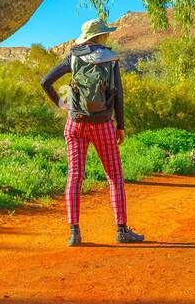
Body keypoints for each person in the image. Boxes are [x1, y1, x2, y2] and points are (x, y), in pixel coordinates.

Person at [40, 17, 145, 246]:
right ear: (101, 36)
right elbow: (118, 95)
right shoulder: (110, 58)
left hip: (75, 124)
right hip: (103, 124)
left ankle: (74, 233)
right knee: (114, 176)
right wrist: (121, 126)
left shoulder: (73, 56)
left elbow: (45, 81)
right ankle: (122, 230)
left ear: (86, 37)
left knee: (75, 176)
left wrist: (61, 104)